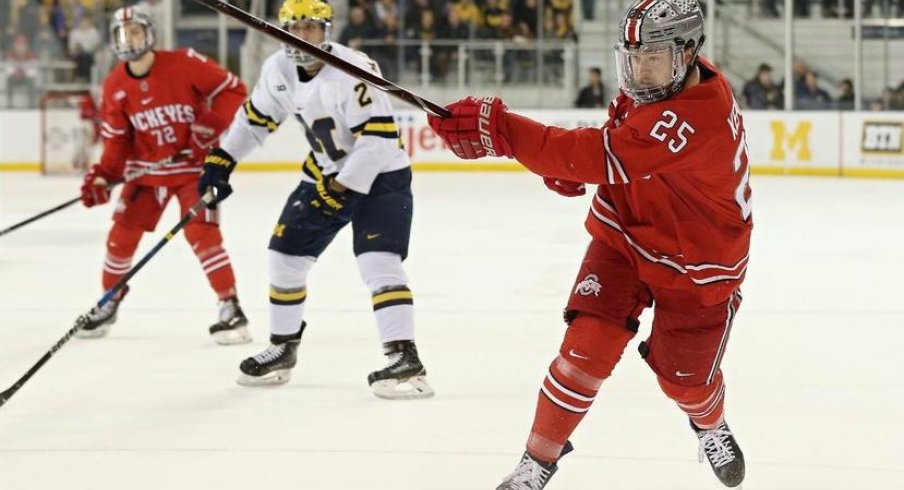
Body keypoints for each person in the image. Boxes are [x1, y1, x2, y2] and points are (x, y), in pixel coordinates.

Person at [428, 0, 751, 488]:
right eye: (633, 58)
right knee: (585, 350)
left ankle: (709, 422)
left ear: (687, 53)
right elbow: (614, 142)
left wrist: (505, 131)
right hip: (624, 231)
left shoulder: (697, 116)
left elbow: (605, 153)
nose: (640, 71)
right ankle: (536, 462)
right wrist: (564, 166)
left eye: (653, 58)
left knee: (684, 380)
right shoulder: (662, 85)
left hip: (698, 263)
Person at [198, 0, 433, 400]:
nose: (304, 35)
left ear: (327, 30)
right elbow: (254, 120)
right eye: (297, 27)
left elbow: (378, 141)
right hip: (324, 171)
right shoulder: (277, 70)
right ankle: (284, 347)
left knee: (378, 262)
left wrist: (338, 189)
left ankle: (404, 357)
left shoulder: (353, 71)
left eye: (312, 27)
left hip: (380, 177)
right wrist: (221, 162)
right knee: (284, 256)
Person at [76, 7, 251, 345]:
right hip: (147, 175)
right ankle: (109, 299)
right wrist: (103, 177)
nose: (130, 40)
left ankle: (230, 306)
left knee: (204, 235)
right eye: (123, 34)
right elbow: (117, 142)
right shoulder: (114, 85)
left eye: (136, 32)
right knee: (120, 239)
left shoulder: (184, 62)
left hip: (194, 170)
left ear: (150, 33)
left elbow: (235, 91)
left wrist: (209, 127)